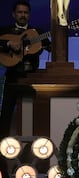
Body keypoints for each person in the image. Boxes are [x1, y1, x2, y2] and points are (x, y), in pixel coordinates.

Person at [0, 1, 51, 139]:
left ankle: (34, 147)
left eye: (26, 12)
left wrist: (48, 44)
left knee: (33, 114)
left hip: (32, 78)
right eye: (20, 12)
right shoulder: (5, 31)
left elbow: (50, 47)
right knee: (6, 115)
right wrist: (8, 44)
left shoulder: (38, 32)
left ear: (29, 15)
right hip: (12, 77)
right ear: (14, 14)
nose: (23, 15)